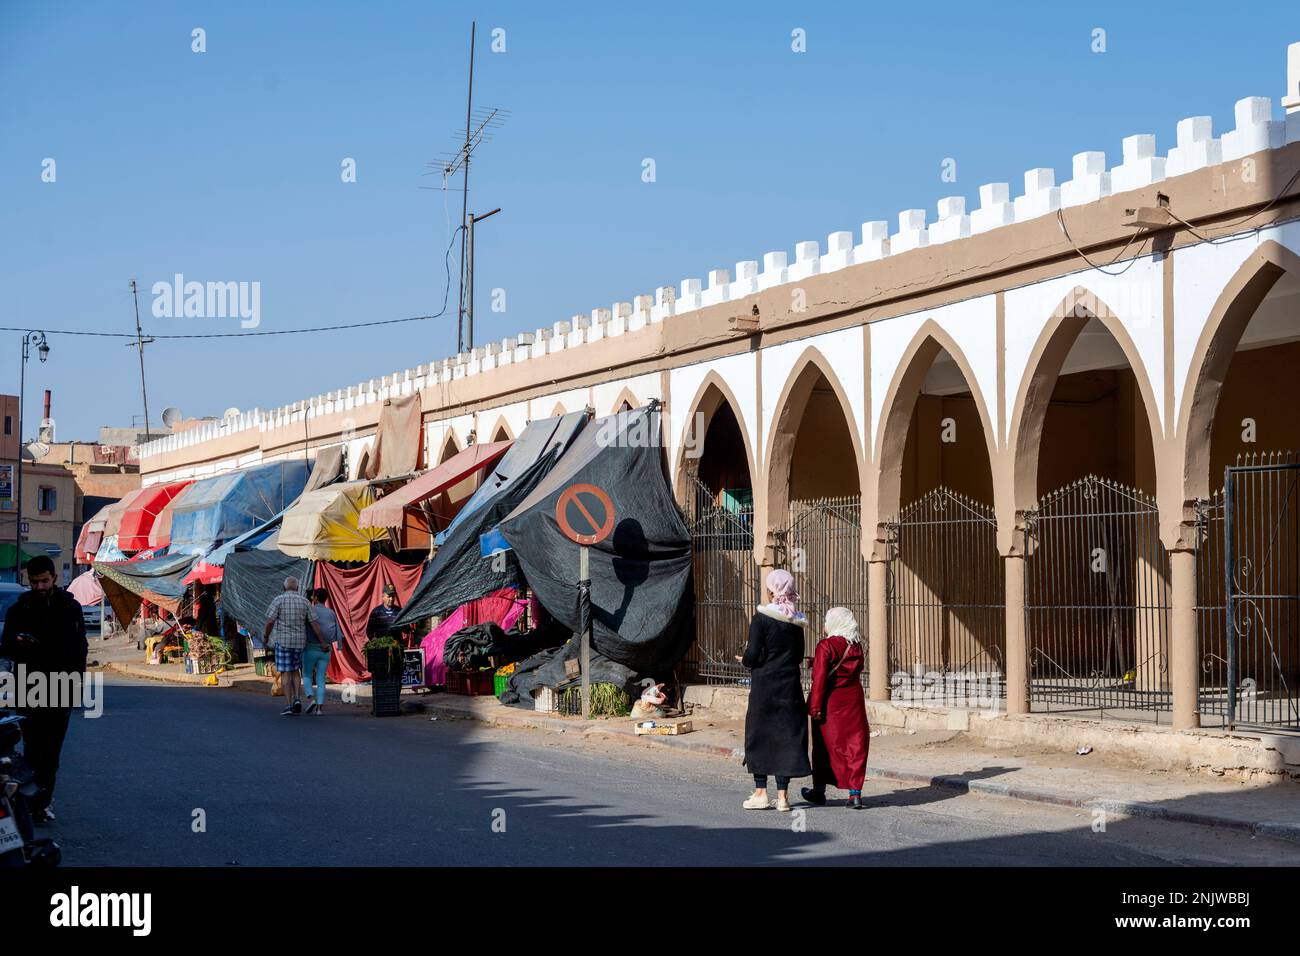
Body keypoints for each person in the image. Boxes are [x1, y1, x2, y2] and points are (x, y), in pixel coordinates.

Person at [0, 555, 88, 824]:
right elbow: (6, 649)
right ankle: (29, 803)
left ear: (54, 578)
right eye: (35, 581)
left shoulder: (70, 608)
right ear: (29, 580)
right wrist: (18, 643)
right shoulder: (19, 610)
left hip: (61, 688)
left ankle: (42, 803)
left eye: (44, 581)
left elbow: (79, 649)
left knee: (51, 754)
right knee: (32, 750)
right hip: (28, 688)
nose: (39, 586)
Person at [735, 568, 811, 811]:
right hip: (789, 687)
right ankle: (782, 797)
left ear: (770, 591)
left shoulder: (761, 618)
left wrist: (745, 660)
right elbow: (798, 656)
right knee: (786, 737)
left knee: (760, 735)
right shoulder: (796, 621)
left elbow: (753, 655)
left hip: (764, 687)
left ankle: (760, 793)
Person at [803, 606, 870, 809]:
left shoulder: (825, 645)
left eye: (826, 620)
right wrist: (816, 662)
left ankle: (819, 790)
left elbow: (820, 679)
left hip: (830, 703)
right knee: (855, 746)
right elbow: (848, 668)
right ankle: (855, 794)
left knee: (824, 747)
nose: (824, 624)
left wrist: (814, 707)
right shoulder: (856, 646)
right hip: (853, 702)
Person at [264, 578, 322, 716]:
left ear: (284, 588)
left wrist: (266, 636)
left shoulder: (278, 600)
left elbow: (270, 621)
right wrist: (322, 641)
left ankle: (289, 704)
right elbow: (314, 624)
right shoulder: (305, 601)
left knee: (285, 672)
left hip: (283, 642)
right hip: (300, 643)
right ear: (297, 588)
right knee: (296, 671)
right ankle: (297, 698)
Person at [302, 588, 340, 715]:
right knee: (321, 678)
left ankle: (310, 698)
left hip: (311, 648)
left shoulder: (310, 611)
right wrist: (338, 645)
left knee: (307, 675)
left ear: (316, 598)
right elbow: (338, 631)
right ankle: (319, 709)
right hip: (326, 650)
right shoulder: (331, 613)